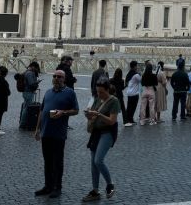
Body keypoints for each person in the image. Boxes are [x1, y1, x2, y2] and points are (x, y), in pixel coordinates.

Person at [33, 69, 79, 199]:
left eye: (59, 77)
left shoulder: (69, 93)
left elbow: (76, 110)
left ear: (64, 79)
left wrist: (63, 112)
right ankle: (48, 186)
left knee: (57, 162)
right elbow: (42, 111)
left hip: (59, 134)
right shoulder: (48, 92)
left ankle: (57, 187)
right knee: (47, 161)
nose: (56, 78)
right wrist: (37, 129)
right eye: (54, 76)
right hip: (45, 132)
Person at [81, 79, 119, 201]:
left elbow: (112, 121)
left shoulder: (114, 101)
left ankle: (110, 184)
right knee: (93, 163)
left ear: (107, 90)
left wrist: (98, 115)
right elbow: (93, 114)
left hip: (107, 132)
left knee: (98, 160)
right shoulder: (97, 98)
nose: (99, 94)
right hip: (96, 132)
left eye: (101, 92)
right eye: (97, 92)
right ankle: (95, 191)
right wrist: (88, 114)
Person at [20, 61, 41, 129]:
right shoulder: (30, 73)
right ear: (33, 67)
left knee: (25, 107)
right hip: (28, 92)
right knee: (27, 108)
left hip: (26, 92)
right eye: (36, 68)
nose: (36, 70)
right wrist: (37, 82)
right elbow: (31, 83)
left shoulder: (27, 72)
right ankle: (23, 124)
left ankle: (22, 122)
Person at [123, 61, 141, 127]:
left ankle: (128, 119)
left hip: (129, 93)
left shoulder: (129, 74)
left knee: (129, 107)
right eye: (137, 66)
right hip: (134, 94)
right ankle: (131, 120)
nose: (137, 67)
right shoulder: (136, 75)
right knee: (133, 108)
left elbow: (127, 83)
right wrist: (139, 73)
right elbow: (141, 80)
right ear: (135, 66)